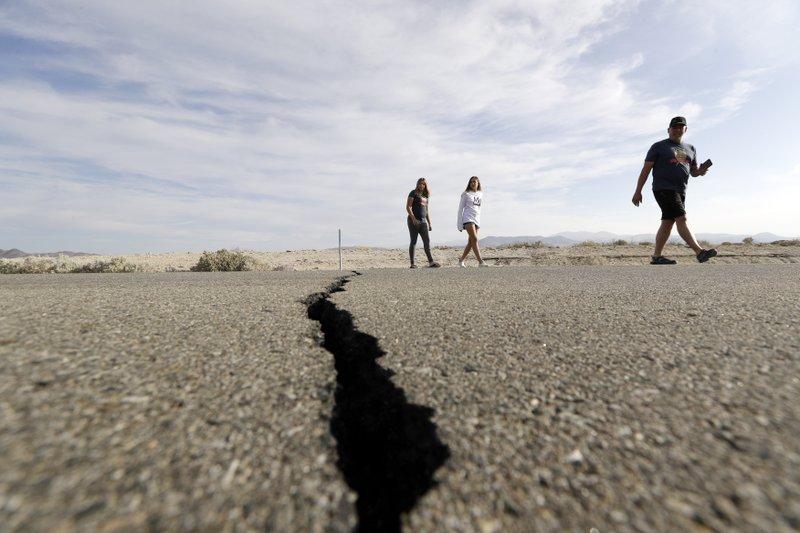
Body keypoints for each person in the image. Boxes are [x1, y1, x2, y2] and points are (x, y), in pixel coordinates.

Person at [632, 116, 717, 264]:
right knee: (681, 218)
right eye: (674, 127)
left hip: (681, 190)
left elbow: (694, 172)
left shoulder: (691, 149)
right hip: (663, 188)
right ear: (668, 130)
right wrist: (638, 191)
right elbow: (645, 170)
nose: (678, 129)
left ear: (685, 129)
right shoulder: (658, 146)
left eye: (681, 127)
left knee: (668, 222)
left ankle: (657, 257)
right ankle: (699, 252)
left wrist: (701, 171)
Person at [406, 178, 440, 268]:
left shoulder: (425, 196)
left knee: (427, 241)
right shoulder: (413, 193)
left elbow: (426, 211)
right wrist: (413, 219)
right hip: (413, 221)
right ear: (417, 184)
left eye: (423, 184)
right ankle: (412, 264)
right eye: (420, 184)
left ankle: (431, 262)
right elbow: (408, 207)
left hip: (423, 221)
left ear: (425, 185)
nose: (422, 185)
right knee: (413, 241)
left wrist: (429, 223)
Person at [456, 176, 489, 267]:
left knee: (471, 242)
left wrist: (478, 221)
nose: (473, 183)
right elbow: (460, 209)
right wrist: (459, 224)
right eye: (471, 182)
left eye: (475, 182)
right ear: (469, 184)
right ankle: (481, 262)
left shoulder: (480, 194)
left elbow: (479, 209)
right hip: (467, 219)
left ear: (478, 183)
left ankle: (461, 260)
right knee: (474, 239)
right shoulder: (466, 194)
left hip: (476, 220)